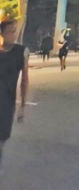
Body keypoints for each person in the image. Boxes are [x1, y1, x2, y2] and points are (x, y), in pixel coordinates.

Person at [0, 17, 29, 176]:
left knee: (1, 142)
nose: (14, 35)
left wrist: (22, 107)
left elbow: (24, 81)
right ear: (2, 33)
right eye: (10, 32)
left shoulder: (21, 52)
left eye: (15, 31)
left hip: (6, 105)